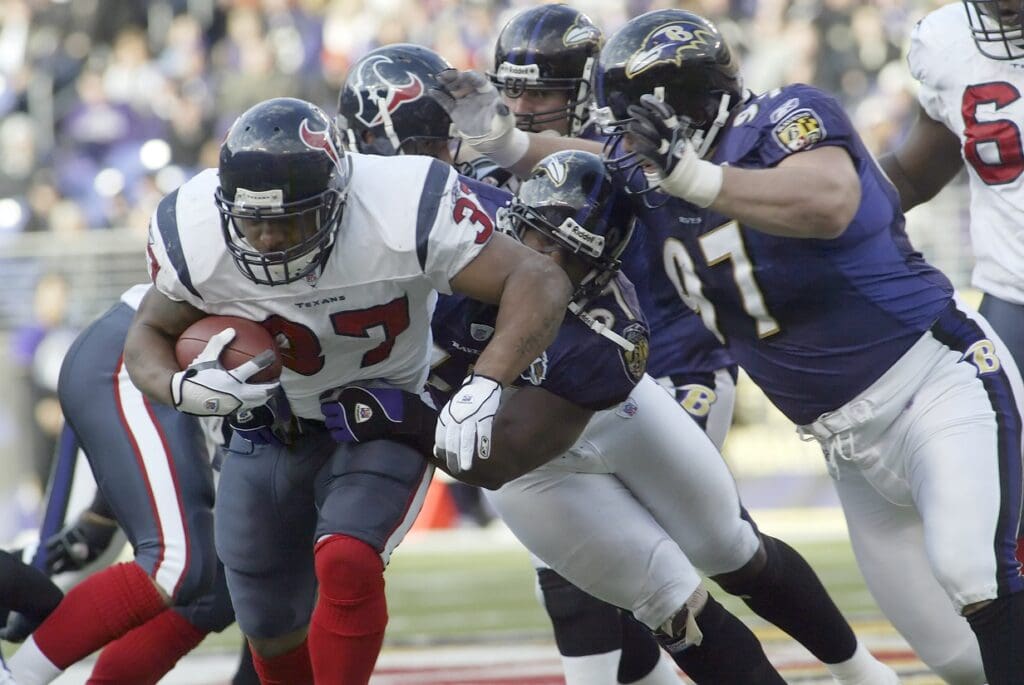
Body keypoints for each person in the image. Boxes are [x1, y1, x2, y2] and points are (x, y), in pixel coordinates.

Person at [431, 8, 1024, 684]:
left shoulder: (786, 116)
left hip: (935, 380)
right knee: (954, 656)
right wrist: (507, 142)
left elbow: (828, 200)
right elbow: (591, 160)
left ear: (682, 106)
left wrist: (694, 178)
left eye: (632, 122)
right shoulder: (651, 168)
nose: (623, 141)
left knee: (974, 574)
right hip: (844, 441)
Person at [122, 96, 571, 685]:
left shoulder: (400, 204)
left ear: (337, 198)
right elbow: (146, 335)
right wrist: (182, 389)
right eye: (253, 220)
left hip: (380, 410)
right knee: (265, 618)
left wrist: (485, 384)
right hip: (270, 424)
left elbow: (538, 277)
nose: (269, 238)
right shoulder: (194, 230)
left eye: (290, 220)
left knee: (348, 559)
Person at [339, 37, 674, 685]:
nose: (442, 160)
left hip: (550, 387)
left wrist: (472, 388)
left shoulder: (472, 203)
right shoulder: (336, 213)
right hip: (442, 401)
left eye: (443, 143)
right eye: (428, 145)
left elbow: (548, 275)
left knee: (694, 557)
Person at [7, 284, 244, 685]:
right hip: (138, 366)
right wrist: (99, 518)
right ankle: (18, 676)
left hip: (199, 396)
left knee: (251, 587)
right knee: (177, 563)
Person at [880, 0, 1024, 420]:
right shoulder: (950, 42)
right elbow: (914, 173)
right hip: (1013, 295)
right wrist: (826, 199)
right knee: (1000, 447)